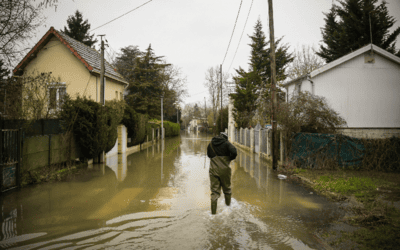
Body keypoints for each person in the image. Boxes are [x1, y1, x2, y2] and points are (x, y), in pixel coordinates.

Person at [207, 132, 237, 215]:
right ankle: (228, 209)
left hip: (213, 170)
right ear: (225, 137)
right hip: (225, 170)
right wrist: (229, 159)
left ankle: (213, 214)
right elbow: (234, 151)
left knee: (214, 192)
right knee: (227, 189)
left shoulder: (211, 144)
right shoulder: (226, 143)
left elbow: (209, 155)